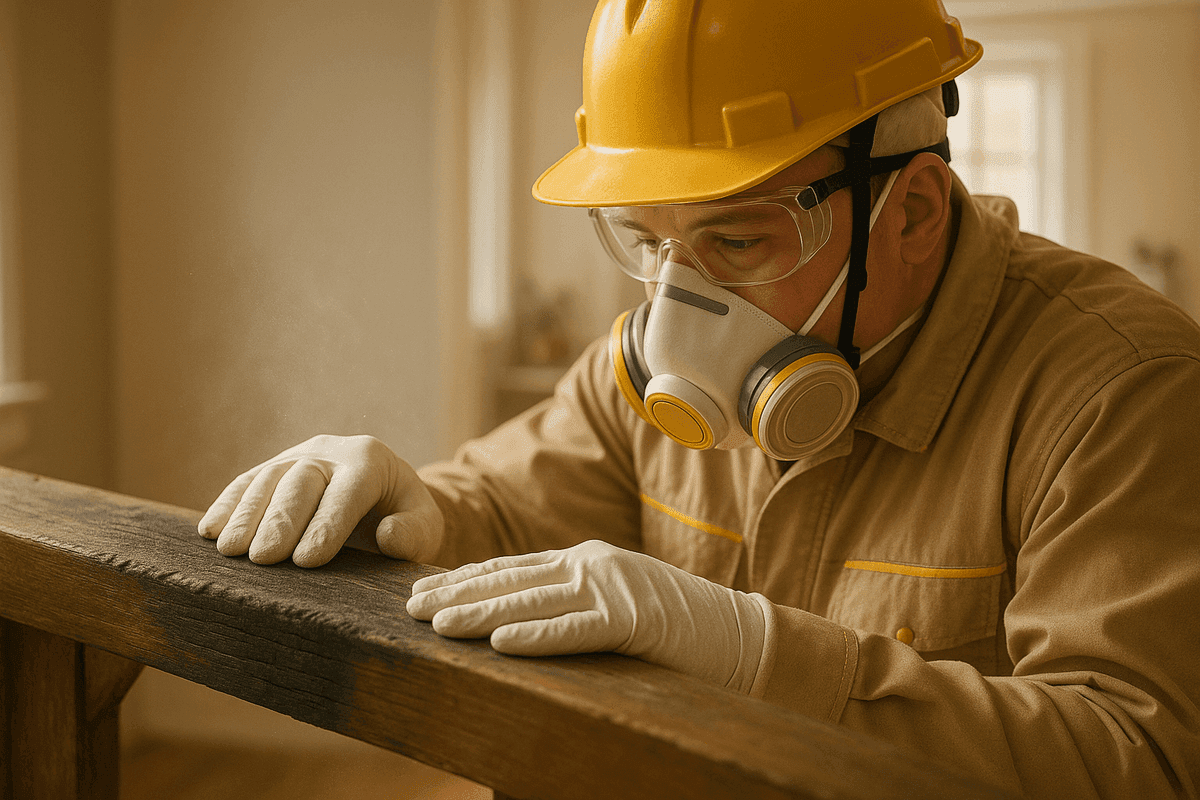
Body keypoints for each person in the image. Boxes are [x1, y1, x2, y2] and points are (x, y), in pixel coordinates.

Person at [198, 1, 1200, 796]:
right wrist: (407, 503)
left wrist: (762, 656)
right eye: (647, 241)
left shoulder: (1120, 391)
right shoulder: (635, 376)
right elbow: (504, 506)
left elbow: (1139, 763)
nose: (678, 308)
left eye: (738, 241)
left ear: (915, 211)